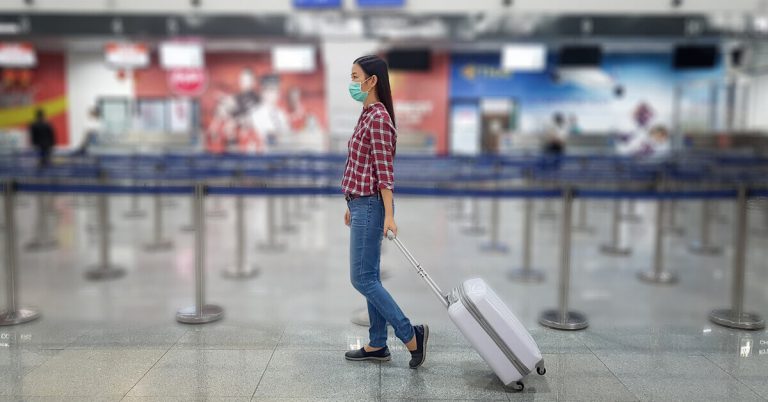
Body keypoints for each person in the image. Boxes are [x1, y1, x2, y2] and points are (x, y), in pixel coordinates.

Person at [341, 55, 428, 369]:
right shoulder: (366, 114)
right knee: (370, 276)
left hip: (371, 205)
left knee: (362, 279)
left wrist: (389, 214)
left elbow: (384, 172)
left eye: (355, 76)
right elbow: (360, 165)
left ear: (372, 80)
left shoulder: (378, 118)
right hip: (361, 204)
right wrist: (351, 202)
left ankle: (411, 335)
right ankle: (377, 343)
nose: (352, 83)